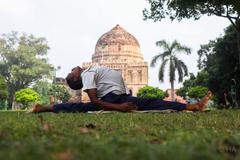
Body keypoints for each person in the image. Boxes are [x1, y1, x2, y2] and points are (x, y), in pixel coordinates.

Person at [30, 65, 212, 113]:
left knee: (81, 108)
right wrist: (119, 108)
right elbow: (94, 100)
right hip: (113, 99)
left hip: (117, 96)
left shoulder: (89, 70)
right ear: (77, 78)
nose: (72, 69)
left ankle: (42, 108)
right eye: (71, 73)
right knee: (83, 107)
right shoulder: (87, 75)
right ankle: (191, 106)